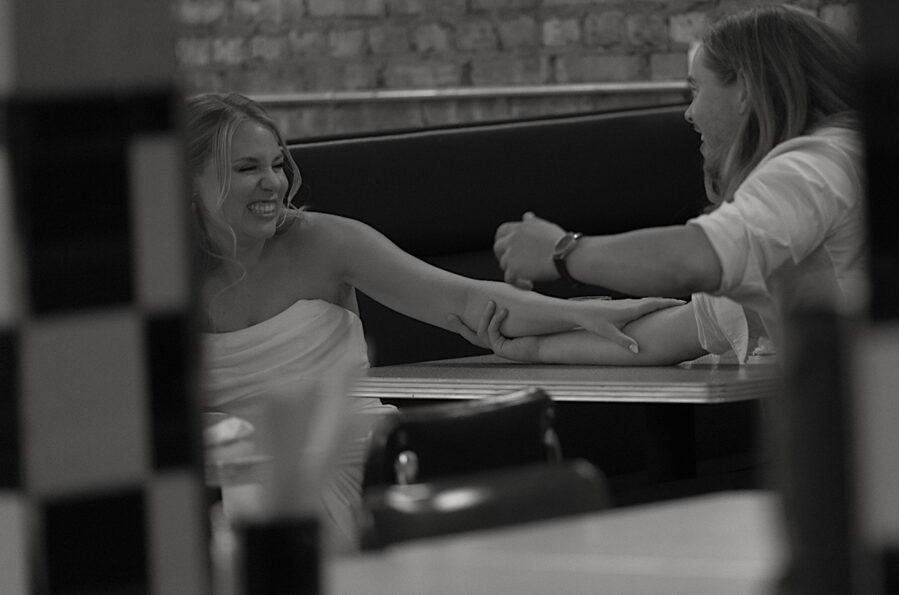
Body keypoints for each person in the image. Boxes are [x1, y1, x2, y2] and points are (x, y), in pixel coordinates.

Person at [188, 93, 680, 551]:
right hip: (229, 487)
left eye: (277, 163)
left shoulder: (324, 242)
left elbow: (466, 300)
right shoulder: (156, 287)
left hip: (367, 466)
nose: (273, 182)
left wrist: (581, 312)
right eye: (248, 168)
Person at [454, 3, 865, 365]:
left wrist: (561, 251)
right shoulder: (828, 171)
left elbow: (693, 260)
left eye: (696, 89)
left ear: (745, 89)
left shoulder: (814, 165)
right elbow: (679, 332)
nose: (689, 114)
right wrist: (532, 349)